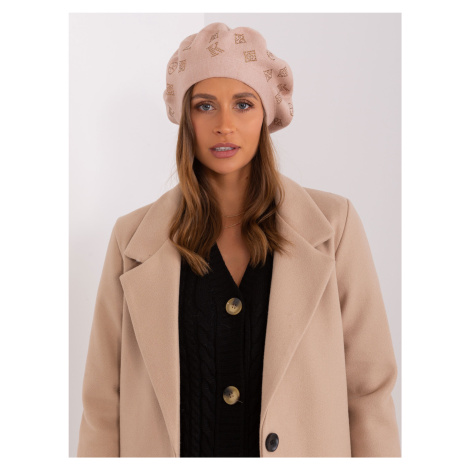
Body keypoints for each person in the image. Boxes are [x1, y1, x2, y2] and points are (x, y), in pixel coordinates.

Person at [77, 22, 401, 458]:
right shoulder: (132, 240)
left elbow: (370, 392)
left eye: (243, 104)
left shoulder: (333, 226)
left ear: (266, 114)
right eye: (205, 106)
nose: (224, 125)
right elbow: (102, 406)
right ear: (186, 119)